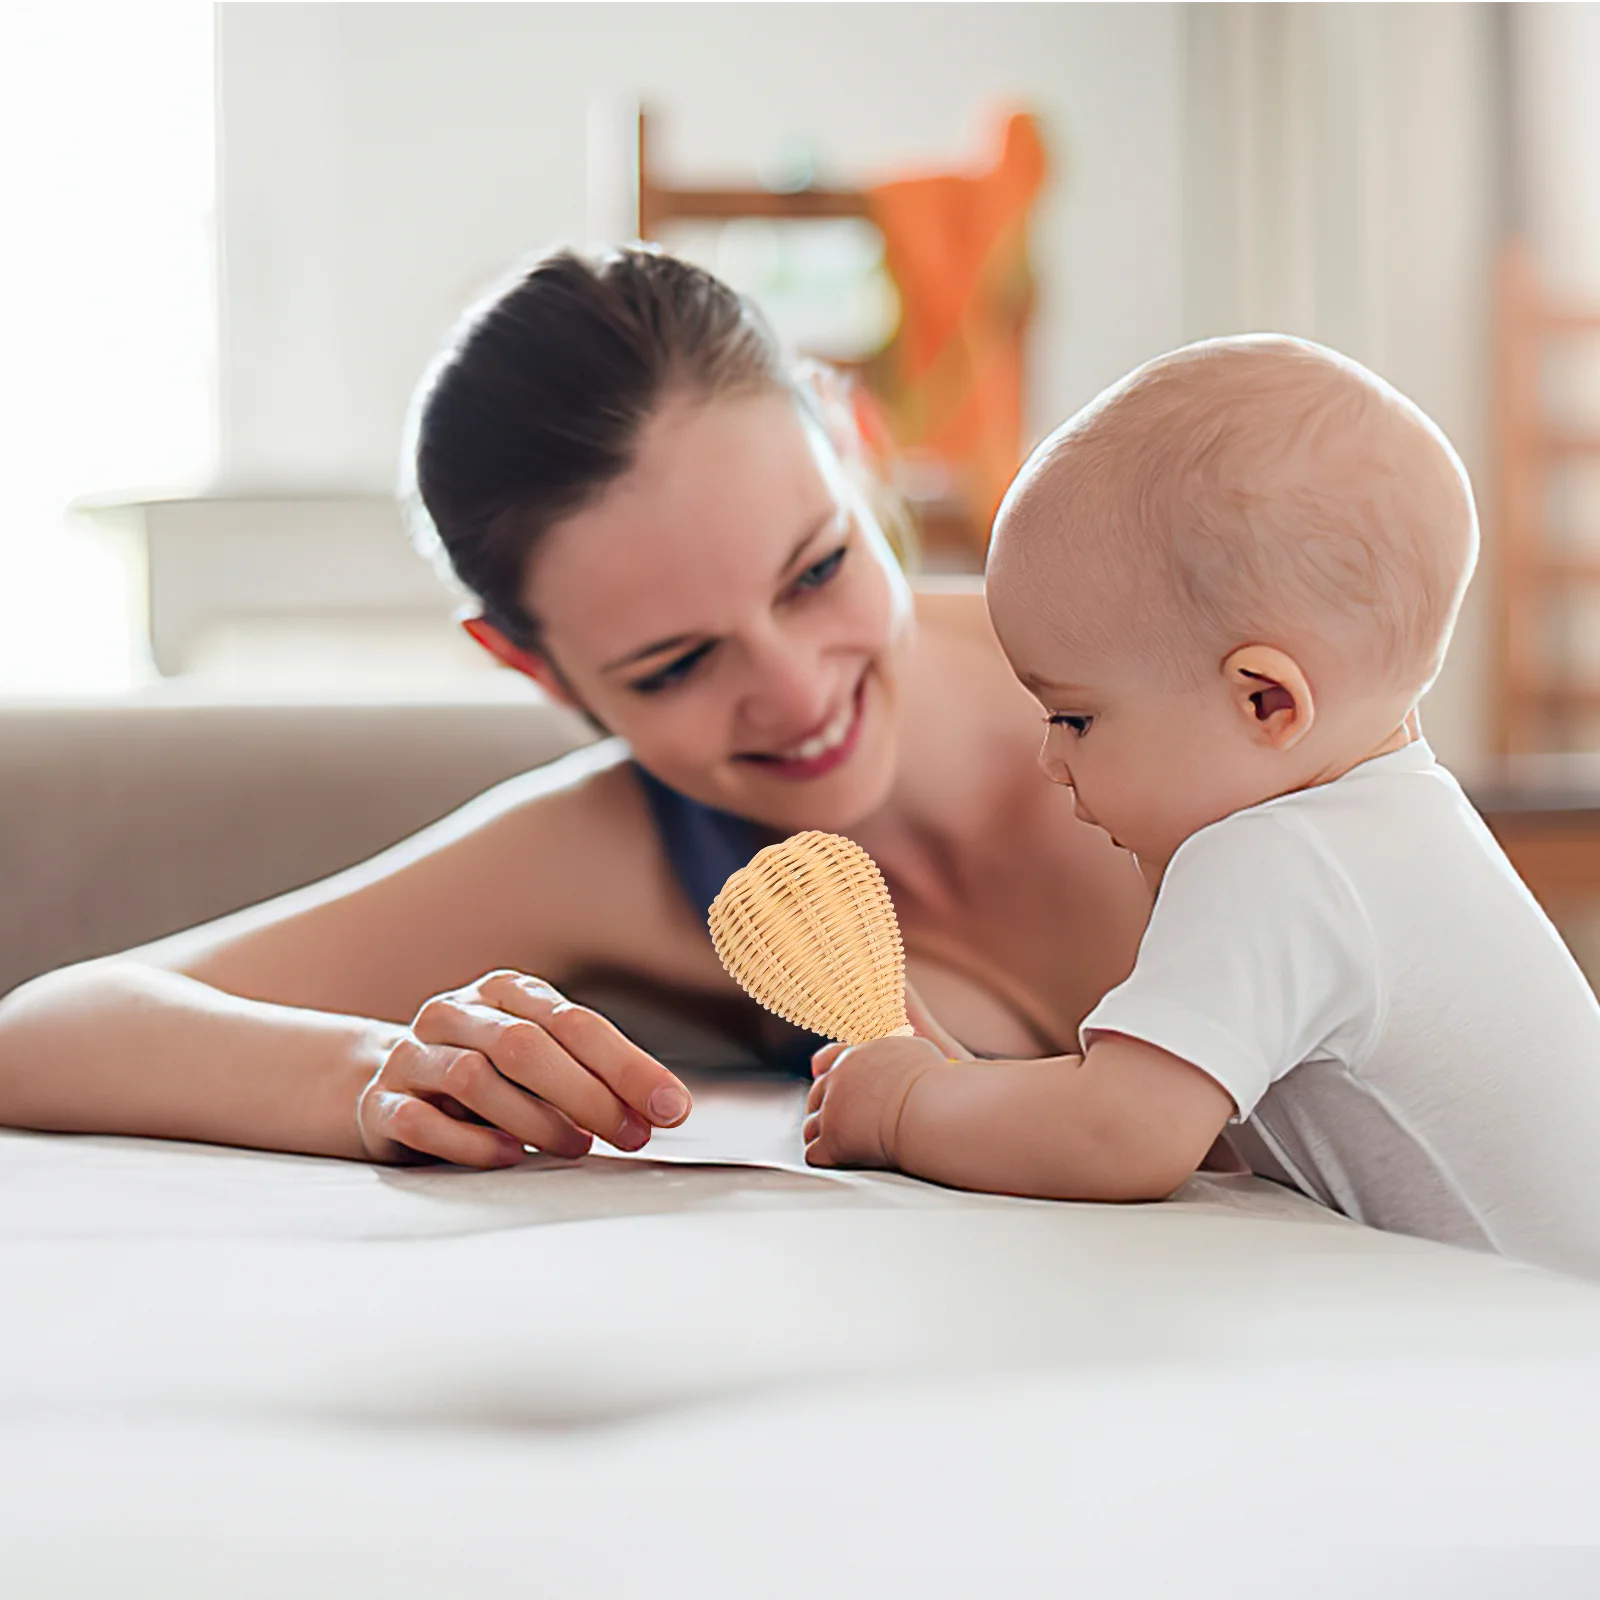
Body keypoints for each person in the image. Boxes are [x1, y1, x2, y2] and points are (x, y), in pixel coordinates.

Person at [0, 245, 1151, 1169]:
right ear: (530, 666)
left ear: (851, 447)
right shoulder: (622, 847)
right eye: (674, 665)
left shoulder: (1158, 645)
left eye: (814, 572)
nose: (796, 693)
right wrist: (376, 1076)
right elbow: (46, 1032)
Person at [803, 334, 1600, 1280]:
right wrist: (968, 1090)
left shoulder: (1277, 859)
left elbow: (1121, 1133)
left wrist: (907, 1110)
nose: (1051, 761)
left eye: (1076, 716)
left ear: (1266, 701)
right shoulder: (1397, 820)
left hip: (1548, 1356)